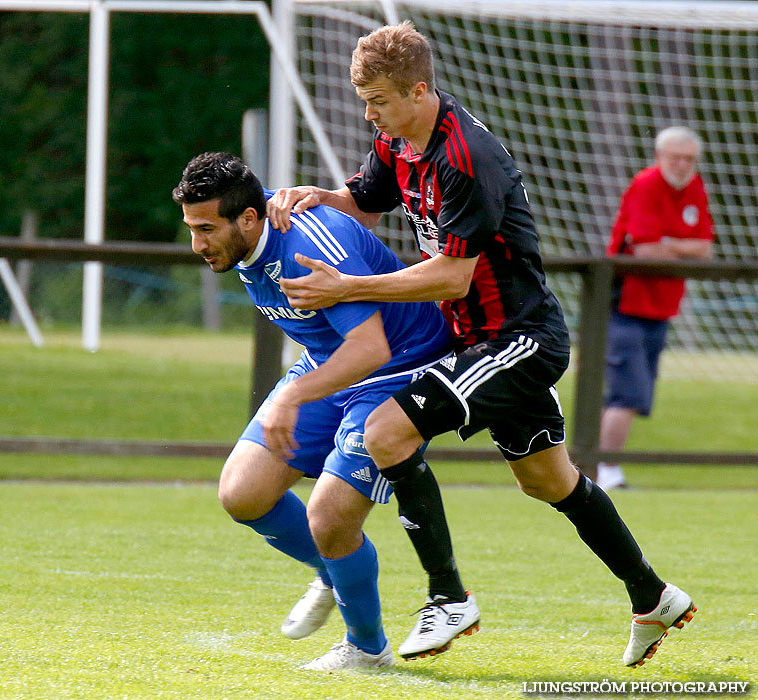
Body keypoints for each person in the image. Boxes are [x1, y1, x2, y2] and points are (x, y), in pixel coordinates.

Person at [266, 21, 695, 667]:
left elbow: (451, 274)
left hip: (516, 337)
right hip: (476, 338)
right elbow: (365, 199)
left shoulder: (463, 157)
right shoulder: (396, 137)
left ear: (417, 90)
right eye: (365, 101)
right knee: (547, 480)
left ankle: (447, 598)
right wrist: (318, 195)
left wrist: (346, 286)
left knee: (387, 433)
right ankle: (652, 595)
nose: (369, 113)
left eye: (378, 99)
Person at [173, 151, 456, 670]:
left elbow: (371, 349)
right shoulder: (246, 234)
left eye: (207, 229)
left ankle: (367, 649)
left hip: (399, 368)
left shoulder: (305, 246)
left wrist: (289, 396)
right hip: (330, 362)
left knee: (329, 516)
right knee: (243, 493)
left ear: (249, 218)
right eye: (192, 228)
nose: (198, 244)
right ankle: (332, 570)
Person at [598, 127, 715, 491]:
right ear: (659, 155)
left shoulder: (694, 188)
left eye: (689, 158)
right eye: (675, 157)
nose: (682, 165)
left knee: (636, 393)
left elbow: (706, 248)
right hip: (625, 304)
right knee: (627, 393)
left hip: (661, 308)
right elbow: (647, 253)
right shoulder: (646, 185)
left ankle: (601, 468)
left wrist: (669, 244)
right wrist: (682, 246)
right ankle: (605, 471)